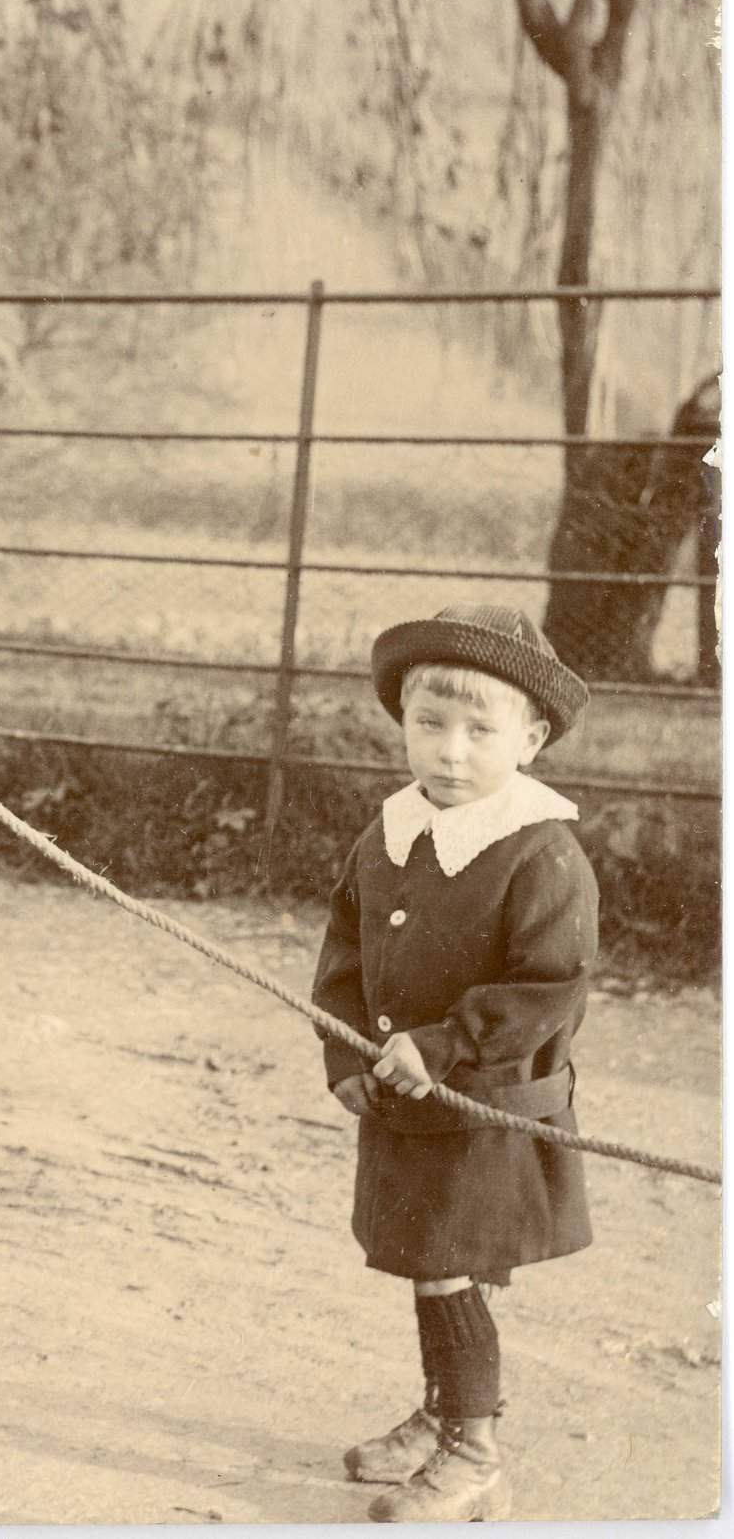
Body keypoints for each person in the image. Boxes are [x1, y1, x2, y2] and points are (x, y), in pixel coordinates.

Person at [312, 603, 598, 1523]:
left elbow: (547, 986)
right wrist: (343, 1049)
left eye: (482, 730)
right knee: (425, 1260)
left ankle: (475, 1453)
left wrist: (439, 1047)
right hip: (405, 1103)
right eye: (428, 724)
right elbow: (345, 954)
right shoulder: (388, 830)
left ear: (533, 738)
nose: (450, 751)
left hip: (484, 1110)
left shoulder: (542, 851)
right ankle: (443, 1413)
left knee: (447, 1267)